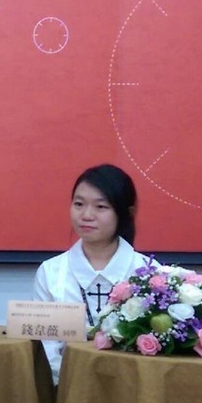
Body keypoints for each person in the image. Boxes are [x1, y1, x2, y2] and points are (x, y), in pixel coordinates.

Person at [33, 164, 148, 384]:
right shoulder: (51, 272)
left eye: (101, 207)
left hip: (133, 388)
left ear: (127, 213)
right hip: (66, 388)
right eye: (79, 204)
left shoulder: (148, 275)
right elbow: (46, 348)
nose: (86, 215)